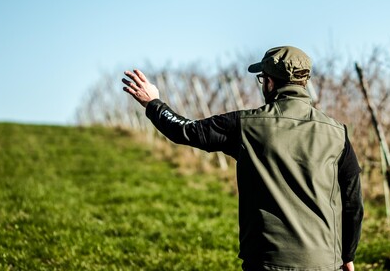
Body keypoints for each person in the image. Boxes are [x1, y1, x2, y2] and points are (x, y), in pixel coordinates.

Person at [122, 46, 363, 271]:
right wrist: (347, 255)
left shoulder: (245, 125)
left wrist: (153, 102)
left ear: (269, 82)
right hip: (323, 262)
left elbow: (185, 130)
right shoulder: (337, 133)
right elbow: (352, 202)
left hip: (266, 261)